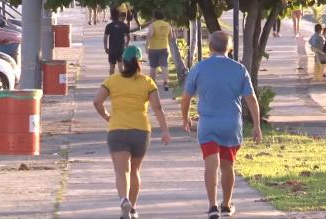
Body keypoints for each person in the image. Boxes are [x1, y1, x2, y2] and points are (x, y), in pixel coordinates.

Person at [181, 31, 262, 219]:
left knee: (211, 166)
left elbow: (185, 98)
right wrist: (256, 125)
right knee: (228, 166)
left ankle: (212, 206)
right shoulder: (239, 69)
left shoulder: (199, 68)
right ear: (230, 48)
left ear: (210, 47)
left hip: (208, 124)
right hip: (231, 125)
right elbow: (251, 99)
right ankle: (226, 205)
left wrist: (184, 118)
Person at [93, 45, 171, 219]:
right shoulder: (147, 82)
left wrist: (106, 116)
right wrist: (165, 130)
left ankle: (124, 201)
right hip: (141, 131)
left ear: (123, 62)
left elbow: (97, 101)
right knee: (135, 171)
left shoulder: (112, 80)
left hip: (117, 129)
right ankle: (133, 208)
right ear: (139, 63)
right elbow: (157, 107)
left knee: (122, 172)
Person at [146, 10, 172, 91]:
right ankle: (166, 83)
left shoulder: (153, 25)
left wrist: (146, 45)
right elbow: (171, 37)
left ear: (154, 17)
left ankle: (152, 83)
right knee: (164, 66)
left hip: (153, 48)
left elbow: (150, 34)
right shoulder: (167, 25)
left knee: (153, 67)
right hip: (164, 48)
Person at [103, 8, 130, 74]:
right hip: (121, 49)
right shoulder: (124, 25)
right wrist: (127, 44)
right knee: (121, 66)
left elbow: (105, 38)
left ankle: (111, 81)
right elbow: (128, 36)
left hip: (112, 49)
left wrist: (105, 47)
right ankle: (122, 80)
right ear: (119, 15)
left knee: (112, 67)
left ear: (111, 16)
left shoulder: (109, 26)